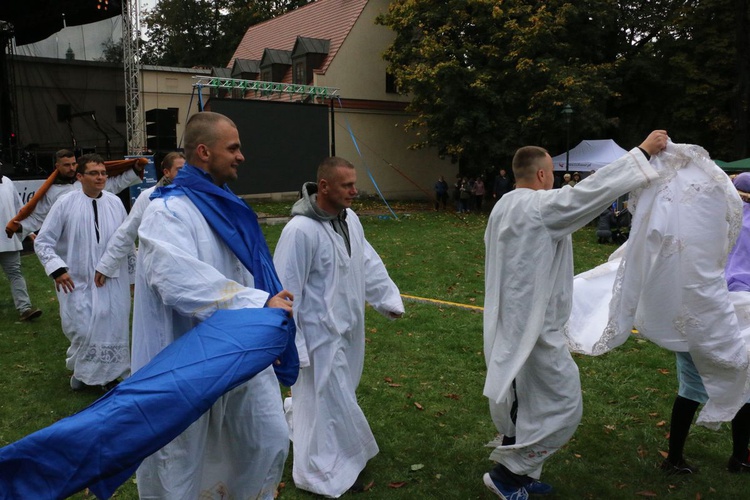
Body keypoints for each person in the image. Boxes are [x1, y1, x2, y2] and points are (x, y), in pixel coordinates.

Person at [482, 130, 668, 499]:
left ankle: (522, 474)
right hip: (535, 329)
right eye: (551, 173)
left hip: (511, 321)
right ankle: (507, 475)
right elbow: (591, 193)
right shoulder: (539, 208)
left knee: (530, 402)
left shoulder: (504, 205)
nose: (554, 180)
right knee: (565, 404)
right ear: (541, 176)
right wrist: (643, 153)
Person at [131, 111, 294, 499]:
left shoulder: (228, 207)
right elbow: (176, 280)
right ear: (204, 152)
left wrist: (265, 330)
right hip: (186, 363)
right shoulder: (167, 211)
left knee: (267, 439)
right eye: (233, 148)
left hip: (238, 352)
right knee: (184, 462)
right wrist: (258, 305)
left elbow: (248, 268)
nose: (242, 156)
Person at [273, 156, 404, 498]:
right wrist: (292, 345)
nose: (354, 191)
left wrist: (386, 297)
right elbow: (285, 290)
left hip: (348, 328)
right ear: (325, 186)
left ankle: (326, 445)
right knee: (323, 401)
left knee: (338, 395)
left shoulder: (350, 220)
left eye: (354, 183)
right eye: (346, 185)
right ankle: (318, 472)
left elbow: (365, 259)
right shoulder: (300, 231)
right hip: (316, 336)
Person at [660, 172, 750, 476]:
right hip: (736, 313)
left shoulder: (705, 220)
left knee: (691, 386)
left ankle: (674, 458)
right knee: (744, 382)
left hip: (698, 306)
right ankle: (740, 456)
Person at [34, 153, 133, 391]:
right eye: (94, 173)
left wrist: (131, 277)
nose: (100, 178)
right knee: (81, 327)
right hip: (76, 279)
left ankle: (108, 376)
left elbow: (127, 243)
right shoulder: (65, 203)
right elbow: (43, 241)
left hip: (112, 280)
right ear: (80, 177)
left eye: (103, 173)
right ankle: (84, 372)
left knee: (112, 325)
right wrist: (57, 270)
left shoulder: (115, 203)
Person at [7, 149, 142, 242]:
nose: (71, 168)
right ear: (57, 166)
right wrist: (20, 227)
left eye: (73, 164)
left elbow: (116, 183)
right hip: (68, 237)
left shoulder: (87, 181)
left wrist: (135, 170)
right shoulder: (52, 191)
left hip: (97, 233)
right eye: (66, 165)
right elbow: (38, 216)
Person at [94, 152, 185, 284]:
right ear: (166, 172)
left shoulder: (195, 196)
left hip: (187, 267)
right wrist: (106, 266)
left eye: (187, 170)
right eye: (179, 170)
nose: (184, 174)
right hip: (157, 270)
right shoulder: (149, 197)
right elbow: (127, 232)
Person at [0, 173, 42, 321]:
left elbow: (20, 209)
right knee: (15, 273)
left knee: (15, 273)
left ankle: (25, 308)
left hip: (8, 238)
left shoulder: (7, 182)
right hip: (8, 238)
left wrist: (28, 230)